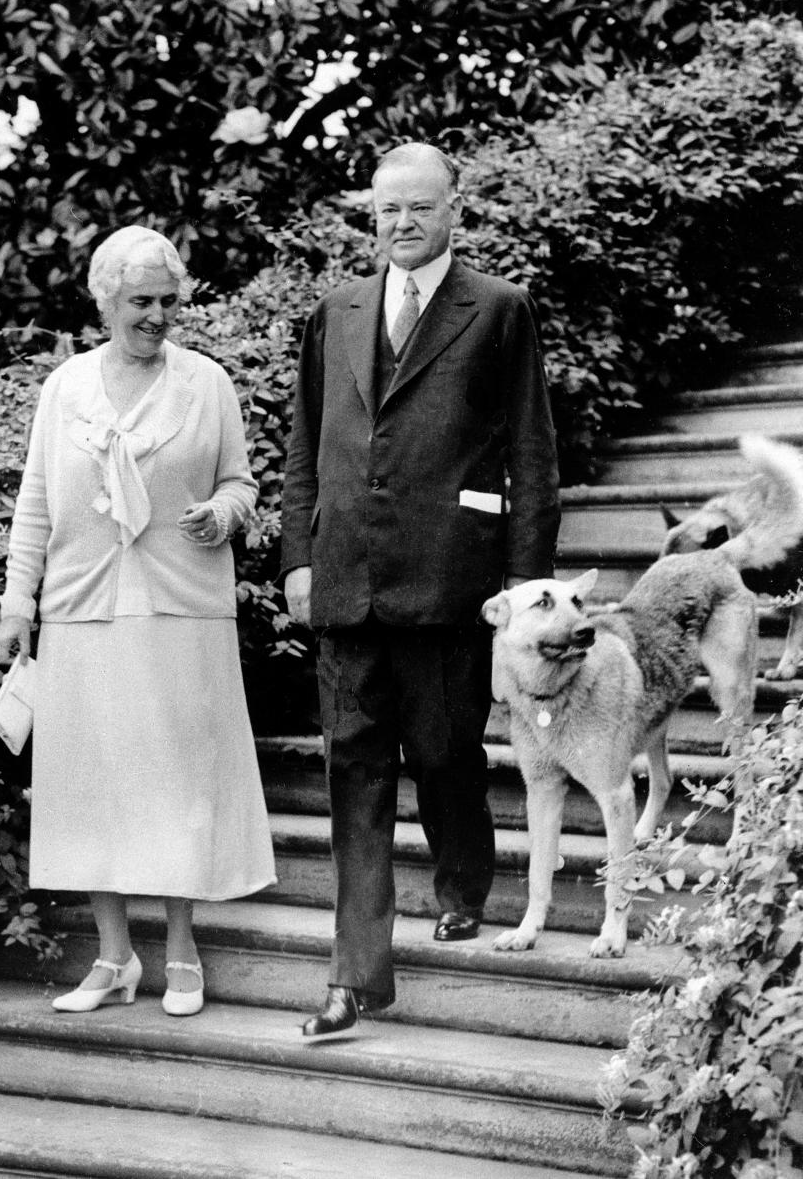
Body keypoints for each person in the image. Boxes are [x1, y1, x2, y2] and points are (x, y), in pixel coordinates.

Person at [280, 142, 560, 1040]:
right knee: (354, 775)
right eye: (386, 211)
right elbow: (302, 448)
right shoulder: (337, 310)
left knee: (445, 757)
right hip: (348, 586)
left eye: (418, 209)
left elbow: (531, 454)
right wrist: (297, 557)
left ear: (452, 211)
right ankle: (353, 977)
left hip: (451, 585)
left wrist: (524, 587)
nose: (400, 225)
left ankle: (463, 881)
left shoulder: (501, 310)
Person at [0, 224, 276, 1017]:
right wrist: (20, 604)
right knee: (92, 784)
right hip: (82, 609)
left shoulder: (206, 384)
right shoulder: (67, 389)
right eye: (141, 302)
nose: (157, 316)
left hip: (182, 608)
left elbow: (241, 483)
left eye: (168, 301)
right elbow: (37, 505)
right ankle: (113, 957)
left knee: (179, 778)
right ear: (105, 300)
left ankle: (182, 952)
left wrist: (222, 516)